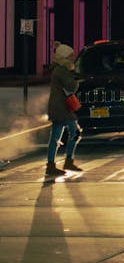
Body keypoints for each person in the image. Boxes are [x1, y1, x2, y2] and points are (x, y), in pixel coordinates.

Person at [46, 42, 82, 177]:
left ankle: (52, 164)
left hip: (59, 107)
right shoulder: (62, 70)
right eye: (71, 55)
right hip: (61, 108)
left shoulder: (60, 69)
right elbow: (71, 86)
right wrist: (76, 81)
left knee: (56, 136)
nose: (73, 57)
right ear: (64, 57)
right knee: (75, 132)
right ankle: (66, 161)